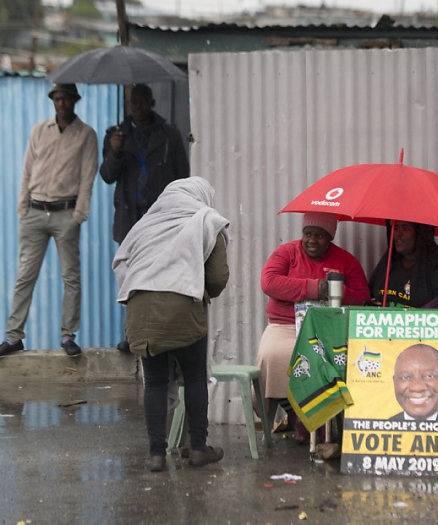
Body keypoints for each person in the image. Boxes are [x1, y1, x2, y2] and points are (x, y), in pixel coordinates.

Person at [112, 177, 229, 471]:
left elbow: (121, 263)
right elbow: (216, 278)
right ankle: (200, 447)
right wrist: (196, 290)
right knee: (193, 376)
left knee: (154, 380)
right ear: (202, 196)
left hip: (139, 306)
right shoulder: (206, 220)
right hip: (183, 304)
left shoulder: (144, 224)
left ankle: (156, 455)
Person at [0, 83, 98, 358]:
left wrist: (78, 215)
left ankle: (68, 336)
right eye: (57, 98)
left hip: (65, 213)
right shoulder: (38, 131)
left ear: (75, 100)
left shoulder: (86, 135)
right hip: (34, 212)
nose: (62, 103)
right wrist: (22, 208)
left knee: (71, 278)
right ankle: (13, 336)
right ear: (52, 100)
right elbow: (27, 170)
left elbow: (87, 178)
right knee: (24, 278)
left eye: (67, 98)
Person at [256, 212, 370, 442]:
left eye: (319, 235)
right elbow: (269, 282)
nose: (312, 240)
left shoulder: (345, 260)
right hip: (285, 326)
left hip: (327, 329)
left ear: (330, 238)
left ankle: (316, 417)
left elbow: (362, 297)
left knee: (325, 362)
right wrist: (316, 288)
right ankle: (296, 414)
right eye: (308, 234)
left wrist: (337, 290)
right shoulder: (287, 252)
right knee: (271, 358)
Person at [99, 83, 189, 352]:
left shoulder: (168, 134)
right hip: (129, 219)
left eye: (141, 101)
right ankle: (133, 335)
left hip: (160, 218)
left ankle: (162, 334)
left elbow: (182, 175)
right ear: (128, 104)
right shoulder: (115, 135)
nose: (136, 106)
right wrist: (115, 151)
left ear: (151, 102)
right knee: (131, 278)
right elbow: (106, 176)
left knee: (162, 275)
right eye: (132, 101)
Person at [368, 221, 438, 308]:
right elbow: (371, 296)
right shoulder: (388, 262)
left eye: (406, 228)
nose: (398, 233)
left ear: (420, 233)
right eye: (396, 228)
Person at [389, 344, 438, 422]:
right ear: (395, 383)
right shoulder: (384, 428)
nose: (417, 387)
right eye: (406, 377)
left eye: (429, 376)